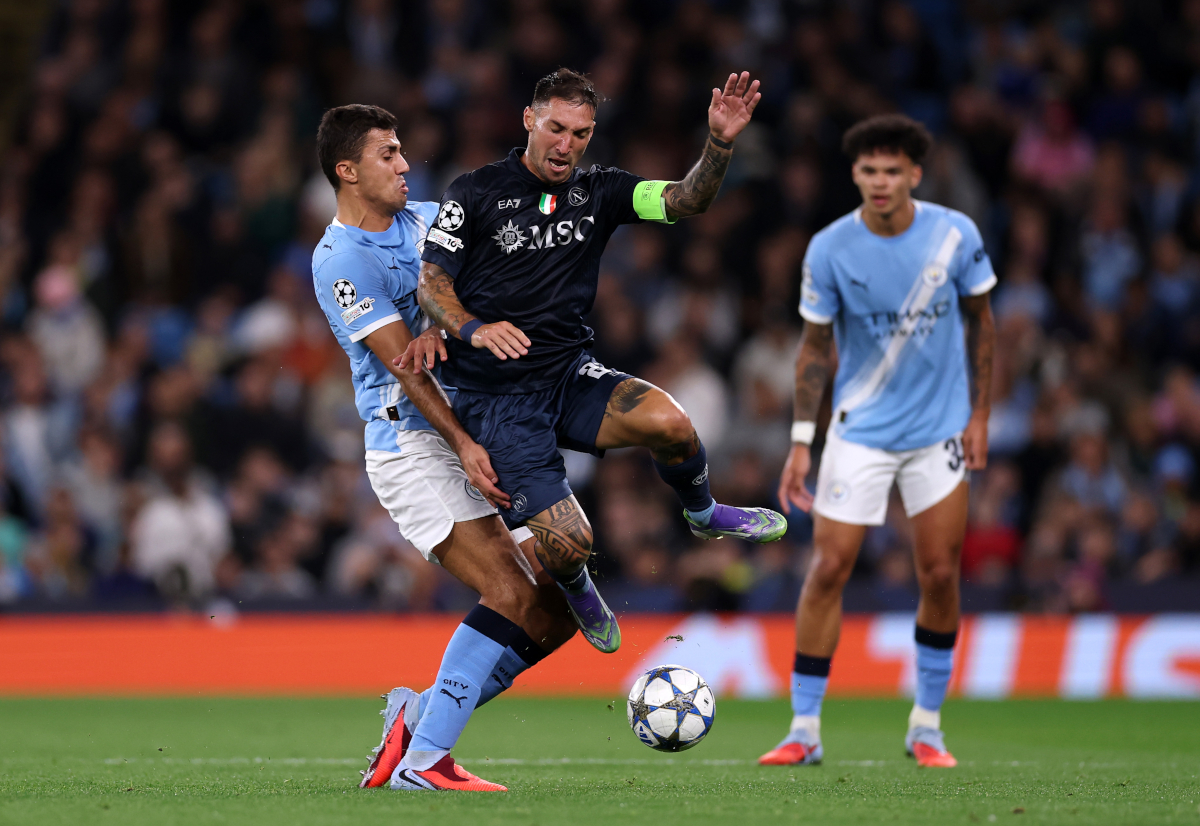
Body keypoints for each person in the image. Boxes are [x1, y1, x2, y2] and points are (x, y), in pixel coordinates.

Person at [409, 69, 787, 655]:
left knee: (672, 423)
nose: (566, 145)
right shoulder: (474, 192)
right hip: (497, 402)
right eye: (556, 128)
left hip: (568, 376)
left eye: (580, 134)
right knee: (570, 543)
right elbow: (431, 281)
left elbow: (687, 200)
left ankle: (703, 512)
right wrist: (474, 329)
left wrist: (719, 142)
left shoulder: (601, 190)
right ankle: (577, 584)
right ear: (529, 120)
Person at [311, 105, 578, 793]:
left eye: (403, 151)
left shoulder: (430, 220)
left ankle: (418, 719)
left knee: (557, 609)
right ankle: (425, 762)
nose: (405, 165)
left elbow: (500, 273)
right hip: (412, 443)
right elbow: (406, 367)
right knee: (509, 589)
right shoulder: (341, 260)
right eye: (388, 154)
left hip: (473, 432)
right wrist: (462, 444)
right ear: (347, 170)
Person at [760, 114, 996, 769]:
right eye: (869, 170)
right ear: (855, 175)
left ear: (915, 174)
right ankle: (804, 729)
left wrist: (980, 415)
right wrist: (801, 441)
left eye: (893, 170)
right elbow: (813, 349)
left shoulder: (956, 234)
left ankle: (927, 726)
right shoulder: (829, 248)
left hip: (938, 431)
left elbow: (983, 322)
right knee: (828, 568)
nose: (881, 181)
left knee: (940, 573)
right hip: (859, 431)